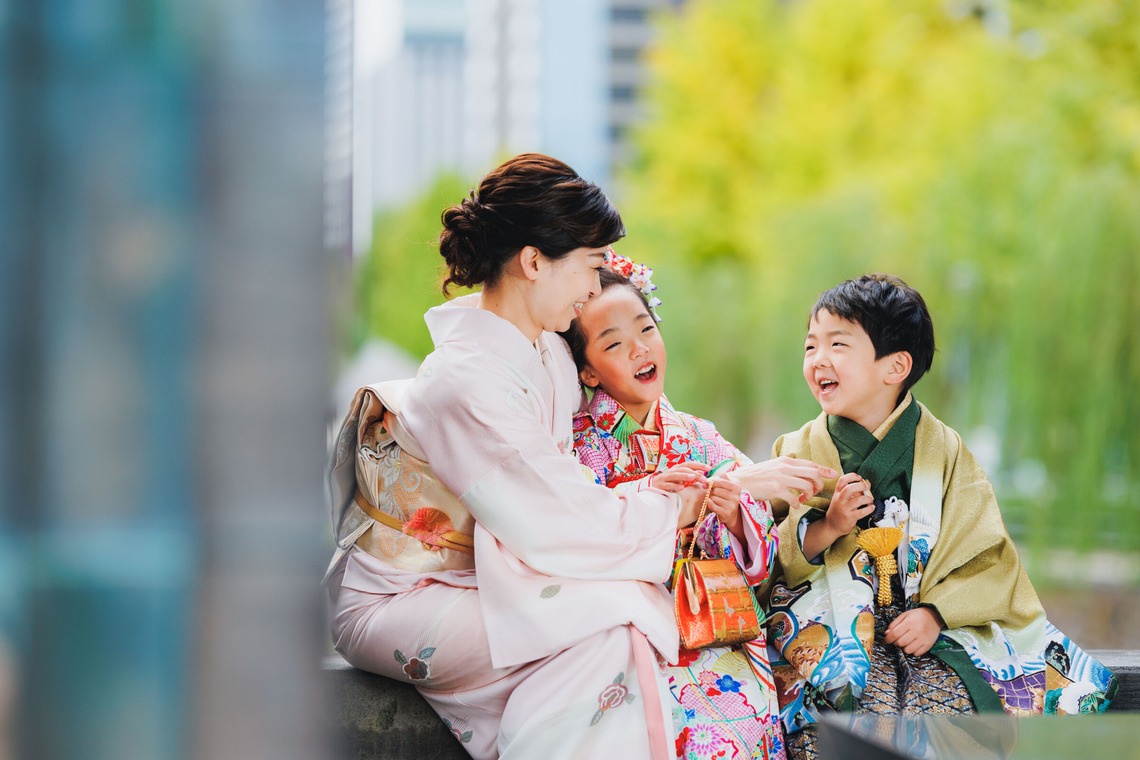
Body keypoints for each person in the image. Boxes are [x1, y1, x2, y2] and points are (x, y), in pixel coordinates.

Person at [324, 153, 722, 759]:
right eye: (591, 265)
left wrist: (648, 493)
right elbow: (553, 522)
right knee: (610, 624)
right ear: (534, 262)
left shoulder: (547, 354)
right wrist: (671, 511)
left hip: (477, 574)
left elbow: (550, 498)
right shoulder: (466, 380)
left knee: (612, 626)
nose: (596, 287)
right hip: (400, 598)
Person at [766, 274, 1118, 759]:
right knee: (835, 717)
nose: (818, 359)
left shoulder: (945, 450)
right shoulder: (797, 449)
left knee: (952, 712)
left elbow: (986, 554)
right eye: (811, 346)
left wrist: (936, 614)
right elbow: (767, 550)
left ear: (896, 366)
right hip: (831, 629)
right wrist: (829, 527)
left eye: (837, 344)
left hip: (928, 629)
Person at [564, 257, 836, 760]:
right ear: (587, 370)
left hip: (713, 628)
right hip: (630, 629)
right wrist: (664, 501)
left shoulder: (698, 436)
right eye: (613, 344)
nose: (640, 348)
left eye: (646, 328)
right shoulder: (575, 447)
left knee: (752, 721)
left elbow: (759, 540)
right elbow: (582, 530)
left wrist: (733, 517)